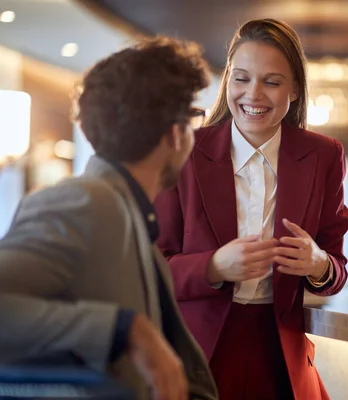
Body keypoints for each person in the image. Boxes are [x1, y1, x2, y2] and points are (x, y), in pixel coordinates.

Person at [0, 36, 218, 400]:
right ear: (175, 134)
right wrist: (124, 329)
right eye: (195, 118)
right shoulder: (85, 201)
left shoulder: (125, 212)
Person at [154, 18, 348, 400]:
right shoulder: (182, 151)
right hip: (195, 356)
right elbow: (149, 266)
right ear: (227, 78)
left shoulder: (324, 156)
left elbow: (336, 270)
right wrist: (212, 266)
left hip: (281, 358)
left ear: (294, 88)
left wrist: (319, 264)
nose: (253, 94)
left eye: (272, 82)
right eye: (241, 78)